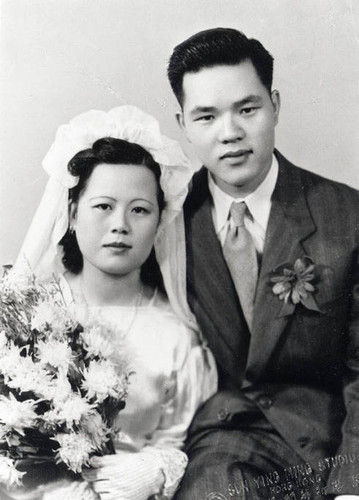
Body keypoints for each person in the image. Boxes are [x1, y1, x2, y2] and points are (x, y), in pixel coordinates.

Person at [166, 28, 359, 499]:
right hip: (228, 439)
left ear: (275, 104)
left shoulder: (346, 216)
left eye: (247, 109)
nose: (230, 133)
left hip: (337, 435)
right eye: (206, 116)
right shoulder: (169, 222)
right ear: (183, 124)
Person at [8, 105, 217, 500]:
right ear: (71, 213)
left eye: (140, 210)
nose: (120, 225)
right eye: (103, 206)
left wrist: (159, 469)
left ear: (159, 223)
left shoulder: (177, 337)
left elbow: (196, 449)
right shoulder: (28, 318)